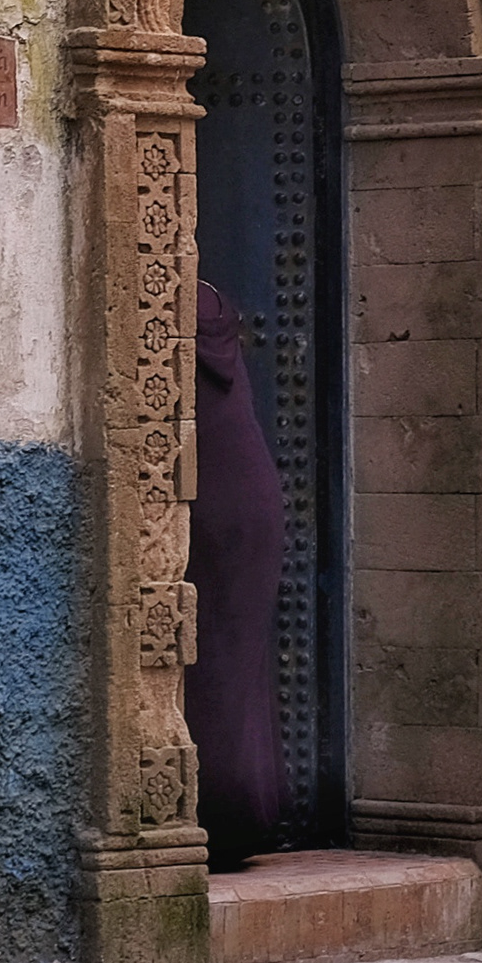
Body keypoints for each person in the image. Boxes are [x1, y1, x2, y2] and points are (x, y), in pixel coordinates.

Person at [181, 281, 292, 864]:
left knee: (205, 668)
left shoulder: (172, 304)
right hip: (254, 504)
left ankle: (214, 817)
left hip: (205, 509)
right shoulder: (214, 302)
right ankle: (246, 816)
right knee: (239, 668)